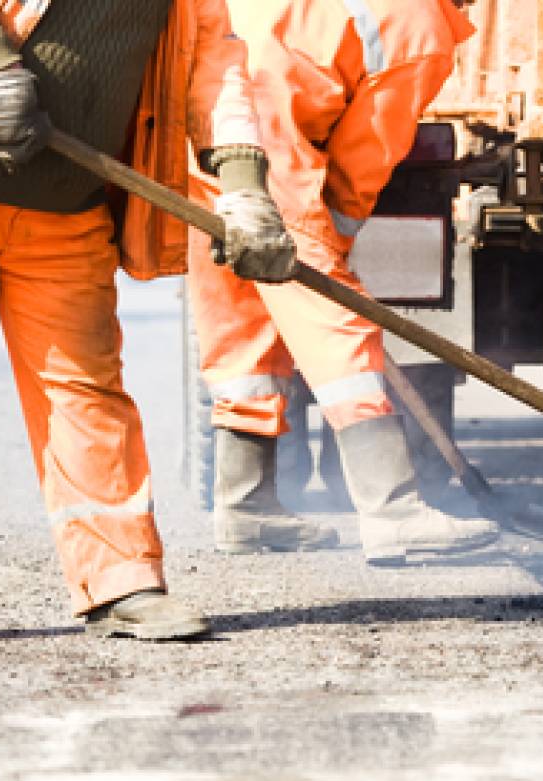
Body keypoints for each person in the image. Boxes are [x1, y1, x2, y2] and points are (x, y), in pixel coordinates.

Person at [0, 0, 296, 647]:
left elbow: (213, 61)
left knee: (86, 386)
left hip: (64, 200)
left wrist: (244, 183)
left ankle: (123, 579)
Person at [187, 0, 499, 565]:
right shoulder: (420, 27)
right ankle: (395, 512)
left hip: (209, 141)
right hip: (270, 160)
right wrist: (333, 243)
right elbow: (365, 158)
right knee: (338, 333)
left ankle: (247, 505)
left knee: (243, 327)